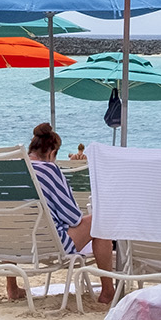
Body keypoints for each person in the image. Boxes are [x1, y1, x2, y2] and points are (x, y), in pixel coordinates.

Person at [20, 123, 115, 305]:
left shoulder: (12, 169)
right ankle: (108, 290)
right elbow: (73, 218)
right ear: (51, 153)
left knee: (15, 222)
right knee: (99, 222)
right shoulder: (49, 170)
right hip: (47, 244)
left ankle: (12, 287)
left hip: (9, 243)